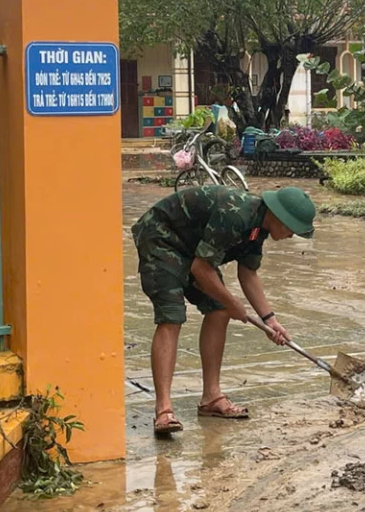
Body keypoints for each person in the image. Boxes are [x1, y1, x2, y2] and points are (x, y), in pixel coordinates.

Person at [134, 185, 316, 438]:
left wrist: (270, 320)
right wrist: (233, 303)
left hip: (194, 250)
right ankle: (164, 409)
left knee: (219, 310)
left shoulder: (258, 228)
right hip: (162, 238)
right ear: (278, 216)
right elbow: (201, 269)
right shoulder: (236, 214)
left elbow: (248, 273)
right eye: (291, 228)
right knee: (172, 315)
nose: (291, 235)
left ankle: (211, 397)